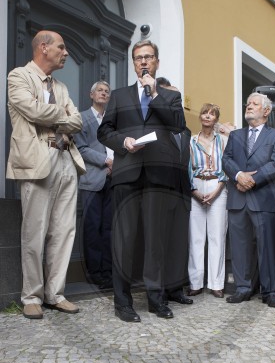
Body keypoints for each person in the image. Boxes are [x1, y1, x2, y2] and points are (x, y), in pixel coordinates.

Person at [97, 40, 186, 322]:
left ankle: (156, 299)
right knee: (123, 240)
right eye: (138, 58)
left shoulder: (170, 96)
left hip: (159, 175)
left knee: (156, 240)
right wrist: (123, 141)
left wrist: (156, 93)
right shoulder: (120, 96)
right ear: (133, 63)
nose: (143, 62)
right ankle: (122, 302)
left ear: (157, 62)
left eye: (148, 57)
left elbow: (176, 125)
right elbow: (104, 131)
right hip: (127, 172)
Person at [6, 30, 86, 319]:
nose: (66, 53)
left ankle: (56, 294)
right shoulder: (18, 77)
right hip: (38, 161)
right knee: (34, 232)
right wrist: (61, 116)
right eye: (61, 47)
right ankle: (31, 296)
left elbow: (77, 121)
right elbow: (31, 110)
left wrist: (57, 116)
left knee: (64, 231)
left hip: (66, 159)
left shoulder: (61, 86)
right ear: (43, 47)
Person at [222, 92, 275, 308]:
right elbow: (226, 159)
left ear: (266, 111)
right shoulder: (235, 135)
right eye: (248, 103)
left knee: (267, 246)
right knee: (239, 246)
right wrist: (239, 176)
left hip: (264, 198)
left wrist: (252, 179)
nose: (249, 106)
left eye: (254, 104)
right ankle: (243, 288)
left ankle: (269, 291)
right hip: (238, 199)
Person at [156, 78, 193, 306]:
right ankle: (157, 291)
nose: (177, 102)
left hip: (182, 193)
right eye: (173, 98)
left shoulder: (186, 131)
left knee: (179, 244)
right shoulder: (155, 128)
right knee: (159, 244)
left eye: (178, 98)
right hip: (160, 192)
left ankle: (175, 289)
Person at [74, 81, 113, 290]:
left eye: (107, 91)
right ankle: (94, 274)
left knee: (109, 228)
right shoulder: (81, 118)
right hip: (92, 180)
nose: (104, 93)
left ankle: (108, 272)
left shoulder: (112, 120)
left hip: (112, 179)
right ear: (91, 94)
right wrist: (105, 161)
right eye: (100, 90)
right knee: (92, 228)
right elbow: (80, 148)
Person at [187, 104, 228, 298]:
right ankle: (195, 283)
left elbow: (227, 167)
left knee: (217, 237)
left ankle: (216, 284)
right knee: (195, 237)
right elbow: (187, 167)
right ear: (200, 117)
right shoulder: (191, 140)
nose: (207, 116)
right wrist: (194, 191)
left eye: (212, 114)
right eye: (204, 112)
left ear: (216, 119)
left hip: (217, 186)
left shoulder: (224, 141)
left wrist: (217, 191)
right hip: (196, 185)